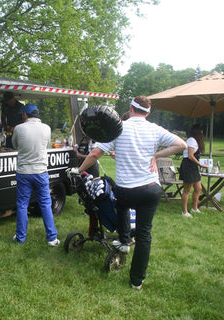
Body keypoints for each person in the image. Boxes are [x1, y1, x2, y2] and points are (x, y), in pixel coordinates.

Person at [68, 96, 187, 290]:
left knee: (122, 203)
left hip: (126, 190)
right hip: (151, 189)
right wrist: (156, 155)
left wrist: (79, 169)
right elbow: (181, 145)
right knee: (144, 234)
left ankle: (124, 240)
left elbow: (95, 154)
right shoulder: (155, 129)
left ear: (130, 108)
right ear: (148, 113)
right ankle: (136, 281)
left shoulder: (118, 129)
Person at [12, 103, 59, 246]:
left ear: (25, 115)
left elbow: (15, 145)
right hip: (40, 171)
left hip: (24, 172)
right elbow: (45, 145)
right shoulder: (47, 128)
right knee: (45, 204)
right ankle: (52, 238)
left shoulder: (19, 128)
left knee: (22, 205)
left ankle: (20, 238)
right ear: (36, 114)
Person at [179, 124, 208, 218]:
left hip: (193, 167)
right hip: (188, 166)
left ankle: (194, 208)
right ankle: (184, 211)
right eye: (201, 130)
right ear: (198, 131)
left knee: (198, 188)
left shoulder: (196, 141)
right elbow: (190, 156)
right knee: (187, 189)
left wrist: (198, 169)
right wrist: (201, 164)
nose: (202, 132)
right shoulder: (191, 140)